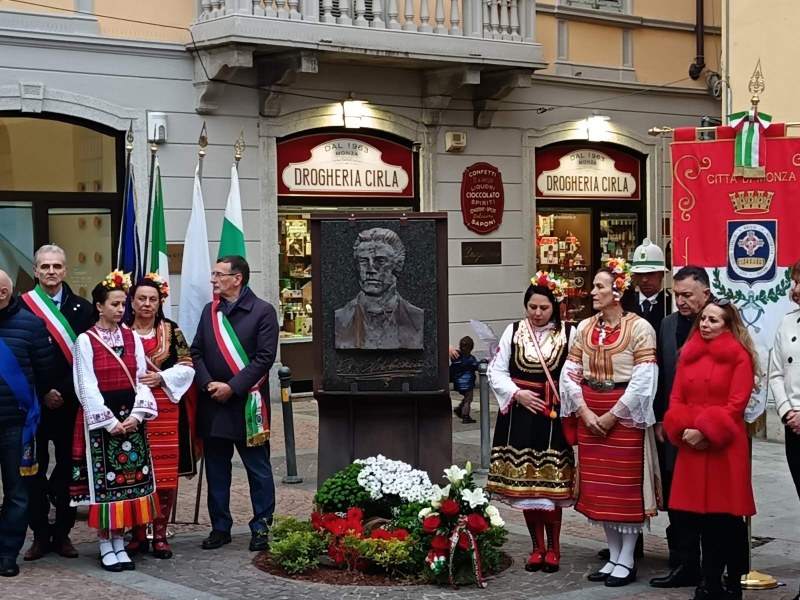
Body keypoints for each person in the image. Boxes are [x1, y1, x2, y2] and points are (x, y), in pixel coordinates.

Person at [559, 259, 660, 588]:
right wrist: (585, 412)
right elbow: (570, 372)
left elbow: (644, 378)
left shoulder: (640, 328)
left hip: (624, 415)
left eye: (600, 286)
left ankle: (628, 558)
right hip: (591, 410)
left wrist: (614, 413)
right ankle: (614, 555)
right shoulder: (585, 328)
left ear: (618, 291)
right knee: (600, 488)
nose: (593, 291)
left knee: (624, 487)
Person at [664, 299, 759, 600]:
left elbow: (736, 405)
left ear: (728, 325)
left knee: (726, 519)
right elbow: (676, 398)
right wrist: (683, 429)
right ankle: (709, 580)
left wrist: (706, 430)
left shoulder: (739, 357)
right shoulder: (688, 354)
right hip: (693, 446)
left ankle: (732, 581)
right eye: (703, 318)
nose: (705, 324)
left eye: (713, 320)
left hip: (724, 448)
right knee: (698, 519)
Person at [70, 270, 159, 572]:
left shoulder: (131, 337)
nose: (121, 310)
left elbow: (142, 377)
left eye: (123, 304)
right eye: (115, 304)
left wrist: (136, 415)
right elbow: (85, 385)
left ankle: (120, 542)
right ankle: (105, 543)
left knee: (127, 484)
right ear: (99, 306)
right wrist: (109, 422)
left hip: (131, 417)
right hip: (103, 421)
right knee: (106, 485)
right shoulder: (85, 340)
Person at [487, 273, 575, 573]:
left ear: (555, 308)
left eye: (543, 308)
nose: (537, 313)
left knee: (550, 488)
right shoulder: (513, 332)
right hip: (520, 415)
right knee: (526, 487)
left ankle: (554, 547)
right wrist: (517, 393)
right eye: (532, 307)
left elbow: (576, 372)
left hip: (551, 417)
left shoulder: (569, 333)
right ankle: (536, 547)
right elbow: (495, 371)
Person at [191, 255, 279, 552]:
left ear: (237, 278)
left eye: (218, 274)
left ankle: (262, 527)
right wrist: (207, 384)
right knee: (216, 470)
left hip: (247, 405)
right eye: (213, 274)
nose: (213, 280)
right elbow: (197, 351)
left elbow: (265, 358)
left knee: (258, 470)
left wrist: (233, 387)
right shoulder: (209, 311)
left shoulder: (263, 312)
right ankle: (220, 527)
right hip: (214, 403)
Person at [21, 245, 92, 562]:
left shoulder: (84, 309)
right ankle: (39, 535)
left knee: (69, 470)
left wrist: (61, 390)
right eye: (45, 266)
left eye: (57, 266)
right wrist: (43, 391)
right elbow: (15, 358)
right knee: (31, 472)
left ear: (65, 271)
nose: (51, 271)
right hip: (33, 407)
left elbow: (86, 360)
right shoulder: (21, 307)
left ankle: (62, 533)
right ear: (35, 271)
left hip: (70, 403)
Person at [123, 274, 196, 559]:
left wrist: (161, 376)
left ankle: (161, 535)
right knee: (133, 473)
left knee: (164, 477)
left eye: (153, 299)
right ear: (131, 301)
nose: (147, 304)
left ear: (160, 302)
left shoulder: (172, 330)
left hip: (165, 411)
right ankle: (138, 534)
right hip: (130, 412)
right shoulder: (121, 330)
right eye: (141, 298)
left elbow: (188, 366)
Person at [649, 266, 710, 589]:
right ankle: (684, 561)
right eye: (677, 295)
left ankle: (714, 565)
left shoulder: (717, 322)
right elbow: (662, 378)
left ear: (706, 292)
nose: (681, 301)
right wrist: (659, 418)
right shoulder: (667, 324)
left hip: (707, 432)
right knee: (677, 498)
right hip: (673, 429)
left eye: (688, 295)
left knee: (710, 501)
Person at [0, 269, 52, 577]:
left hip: (17, 426)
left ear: (5, 293)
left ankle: (8, 552)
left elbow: (44, 372)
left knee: (18, 494)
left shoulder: (31, 326)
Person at [334, 227, 424, 350]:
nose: (371, 270)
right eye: (363, 261)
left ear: (396, 265)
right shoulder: (342, 318)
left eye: (380, 261)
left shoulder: (415, 317)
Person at [769, 260, 800, 600]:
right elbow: (776, 372)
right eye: (793, 281)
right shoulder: (787, 321)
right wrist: (788, 410)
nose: (795, 288)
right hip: (794, 427)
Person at [623, 238, 671, 335]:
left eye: (650, 273)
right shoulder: (625, 303)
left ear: (661, 274)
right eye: (640, 274)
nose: (644, 280)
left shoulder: (670, 304)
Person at [450, 335, 479, 424]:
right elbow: (477, 366)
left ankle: (459, 409)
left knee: (466, 398)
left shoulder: (456, 356)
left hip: (458, 383)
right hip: (468, 384)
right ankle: (466, 416)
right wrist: (485, 361)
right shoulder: (471, 359)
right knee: (468, 399)